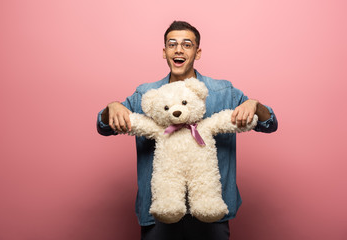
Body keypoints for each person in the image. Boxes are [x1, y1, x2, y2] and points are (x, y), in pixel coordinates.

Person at [97, 21, 278, 240]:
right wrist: (112, 106)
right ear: (164, 52)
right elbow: (104, 127)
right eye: (172, 44)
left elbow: (270, 124)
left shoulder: (222, 92)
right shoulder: (147, 95)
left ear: (197, 52)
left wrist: (254, 104)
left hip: (210, 211)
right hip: (160, 211)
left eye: (187, 44)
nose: (179, 50)